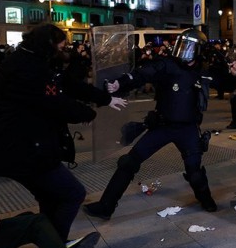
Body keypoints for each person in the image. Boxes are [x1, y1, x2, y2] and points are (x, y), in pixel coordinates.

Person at [0, 23, 126, 243]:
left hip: (29, 146)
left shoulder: (36, 61)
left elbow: (68, 85)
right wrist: (86, 113)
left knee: (50, 198)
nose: (64, 51)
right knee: (73, 193)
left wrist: (105, 99)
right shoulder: (26, 68)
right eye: (61, 47)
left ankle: (48, 245)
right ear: (48, 45)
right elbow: (54, 101)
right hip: (25, 148)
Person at [84, 28, 218, 220]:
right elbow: (143, 73)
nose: (184, 51)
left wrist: (234, 73)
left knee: (194, 172)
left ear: (198, 51)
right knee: (128, 162)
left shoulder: (202, 72)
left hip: (188, 129)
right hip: (162, 126)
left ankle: (206, 200)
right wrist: (120, 84)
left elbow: (225, 83)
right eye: (182, 45)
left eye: (189, 47)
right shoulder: (167, 64)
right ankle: (106, 206)